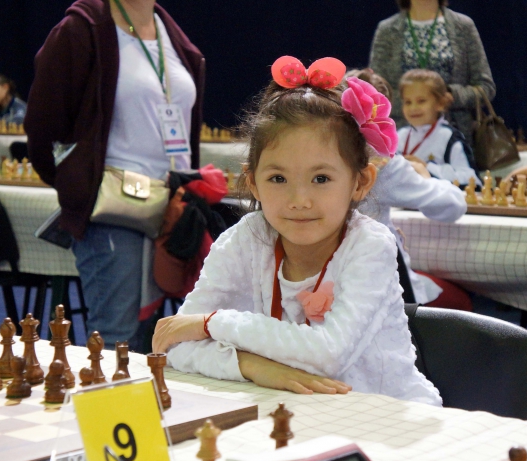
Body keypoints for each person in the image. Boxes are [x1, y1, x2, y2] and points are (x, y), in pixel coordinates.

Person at [152, 55, 442, 406]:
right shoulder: (245, 239)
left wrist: (213, 323)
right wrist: (253, 366)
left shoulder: (369, 245)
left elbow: (328, 354)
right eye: (278, 178)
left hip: (388, 414)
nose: (299, 200)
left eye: (321, 178)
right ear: (252, 182)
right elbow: (173, 344)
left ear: (360, 182)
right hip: (297, 411)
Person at [24, 0, 205, 346]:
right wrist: (78, 185)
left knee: (159, 338)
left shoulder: (169, 33)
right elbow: (43, 127)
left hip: (172, 208)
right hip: (113, 210)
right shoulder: (82, 29)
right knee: (116, 338)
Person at [349, 69, 471, 309]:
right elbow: (453, 205)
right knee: (461, 301)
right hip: (376, 283)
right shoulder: (380, 165)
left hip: (320, 278)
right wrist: (426, 176)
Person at [369, 0, 495, 146]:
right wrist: (414, 101)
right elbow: (376, 93)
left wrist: (449, 96)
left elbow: (485, 88)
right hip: (402, 141)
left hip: (456, 139)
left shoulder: (463, 26)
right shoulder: (387, 30)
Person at [398, 69, 480, 186]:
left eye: (421, 101)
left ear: (440, 103)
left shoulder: (449, 137)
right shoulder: (399, 136)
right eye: (408, 102)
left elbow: (471, 179)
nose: (413, 108)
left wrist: (427, 167)